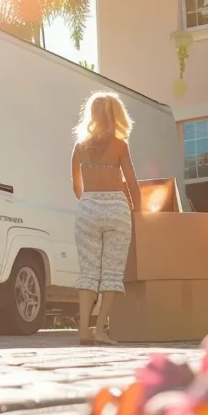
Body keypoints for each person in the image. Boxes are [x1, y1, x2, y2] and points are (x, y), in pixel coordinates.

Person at [70, 92, 142, 346]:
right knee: (111, 272)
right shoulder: (120, 146)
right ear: (115, 115)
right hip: (116, 209)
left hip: (88, 208)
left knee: (88, 271)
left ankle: (82, 330)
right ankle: (100, 330)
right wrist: (139, 212)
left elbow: (77, 187)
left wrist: (90, 202)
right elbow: (133, 184)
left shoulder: (79, 147)